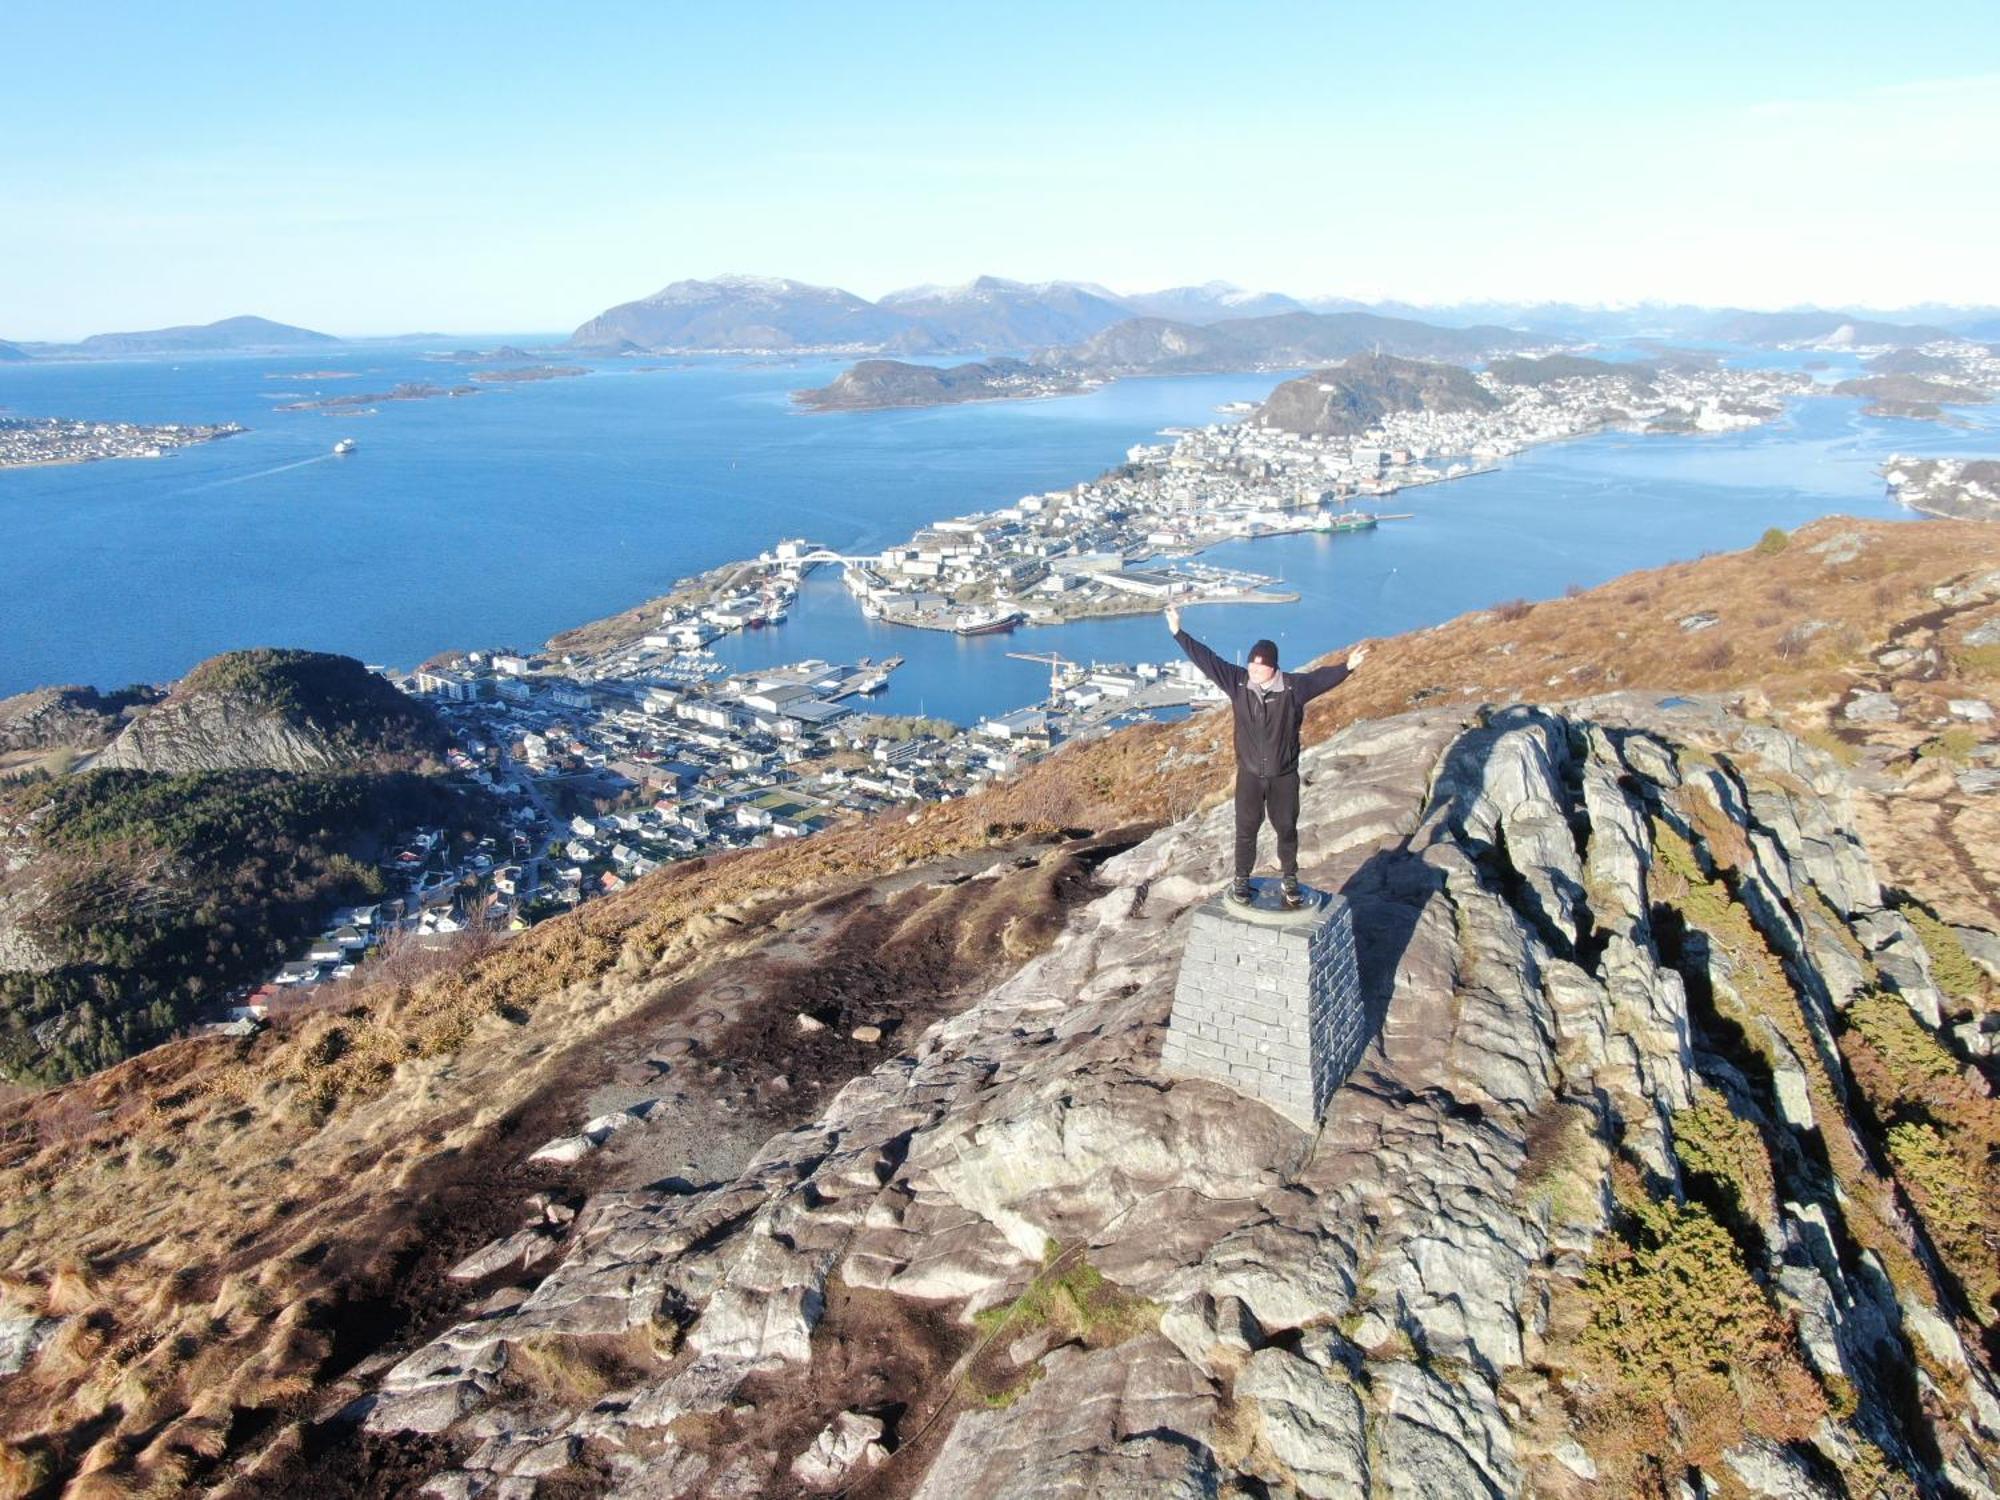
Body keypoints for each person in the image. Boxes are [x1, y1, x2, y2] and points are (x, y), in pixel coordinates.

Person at [1166, 604, 1366, 907]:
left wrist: (1347, 667)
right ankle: (1241, 881)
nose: (1253, 671)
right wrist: (1178, 632)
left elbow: (1321, 679)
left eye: (1259, 667)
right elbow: (1206, 660)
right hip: (1249, 774)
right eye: (1251, 665)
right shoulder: (1238, 682)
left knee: (1286, 829)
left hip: (1283, 775)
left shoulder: (1293, 688)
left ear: (1273, 667)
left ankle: (1289, 878)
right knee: (1245, 830)